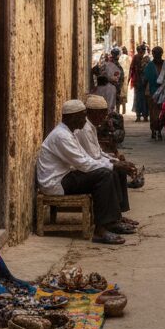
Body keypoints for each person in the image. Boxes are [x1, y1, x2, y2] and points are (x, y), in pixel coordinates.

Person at [35, 100, 129, 245]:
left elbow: (85, 158)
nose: (84, 119)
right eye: (82, 116)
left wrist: (112, 164)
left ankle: (110, 222)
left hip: (64, 176)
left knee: (106, 173)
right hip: (55, 183)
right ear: (72, 117)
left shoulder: (69, 133)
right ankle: (100, 230)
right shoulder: (62, 136)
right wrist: (112, 166)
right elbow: (83, 163)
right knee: (105, 175)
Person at [78, 95, 142, 221]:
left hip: (90, 163)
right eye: (101, 114)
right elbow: (93, 157)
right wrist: (113, 163)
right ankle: (111, 218)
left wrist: (116, 160)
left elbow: (98, 152)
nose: (104, 118)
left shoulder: (91, 127)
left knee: (119, 167)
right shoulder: (84, 129)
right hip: (85, 167)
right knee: (111, 172)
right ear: (92, 113)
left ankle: (118, 214)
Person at [144, 46, 165, 139]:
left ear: (161, 54)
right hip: (151, 92)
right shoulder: (149, 66)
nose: (157, 55)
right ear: (153, 54)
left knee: (161, 112)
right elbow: (145, 79)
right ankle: (153, 130)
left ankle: (159, 130)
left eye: (159, 53)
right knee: (153, 113)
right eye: (155, 53)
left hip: (163, 92)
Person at [130, 47, 150, 121]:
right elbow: (132, 68)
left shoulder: (145, 58)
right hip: (139, 81)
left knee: (141, 99)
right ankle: (141, 116)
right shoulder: (143, 58)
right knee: (141, 99)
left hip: (142, 82)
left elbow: (132, 68)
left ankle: (143, 116)